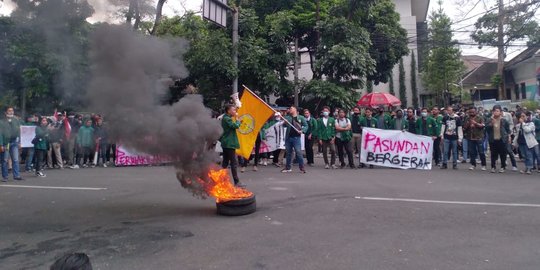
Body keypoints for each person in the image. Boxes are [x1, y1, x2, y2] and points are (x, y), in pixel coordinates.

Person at [219, 104, 244, 187]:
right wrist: (237, 120)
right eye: (233, 110)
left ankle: (221, 180)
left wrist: (238, 121)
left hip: (226, 143)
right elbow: (235, 126)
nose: (235, 111)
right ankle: (236, 182)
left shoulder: (227, 118)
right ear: (228, 111)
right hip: (229, 143)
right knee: (233, 163)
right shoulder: (227, 118)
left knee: (225, 163)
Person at [281, 106, 308, 173]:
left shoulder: (301, 117)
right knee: (288, 153)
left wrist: (302, 131)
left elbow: (306, 125)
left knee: (298, 152)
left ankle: (302, 168)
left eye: (291, 108)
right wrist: (284, 122)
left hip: (296, 138)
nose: (290, 109)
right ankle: (288, 168)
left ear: (295, 109)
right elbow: (283, 125)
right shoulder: (287, 117)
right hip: (288, 137)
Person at [1, 107, 23, 181]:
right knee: (4, 160)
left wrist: (19, 142)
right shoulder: (2, 122)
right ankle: (5, 177)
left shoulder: (16, 121)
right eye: (9, 111)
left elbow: (19, 132)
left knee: (16, 160)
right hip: (5, 143)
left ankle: (16, 176)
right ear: (6, 112)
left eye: (12, 110)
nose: (11, 112)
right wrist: (1, 145)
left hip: (14, 142)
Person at [486, 106, 510, 173]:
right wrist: (491, 124)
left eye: (497, 111)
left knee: (503, 154)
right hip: (493, 140)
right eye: (495, 111)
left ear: (500, 112)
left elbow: (507, 130)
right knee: (493, 154)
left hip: (502, 139)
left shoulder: (503, 120)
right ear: (492, 112)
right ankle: (493, 167)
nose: (496, 112)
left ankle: (503, 167)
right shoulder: (489, 119)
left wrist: (508, 137)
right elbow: (486, 129)